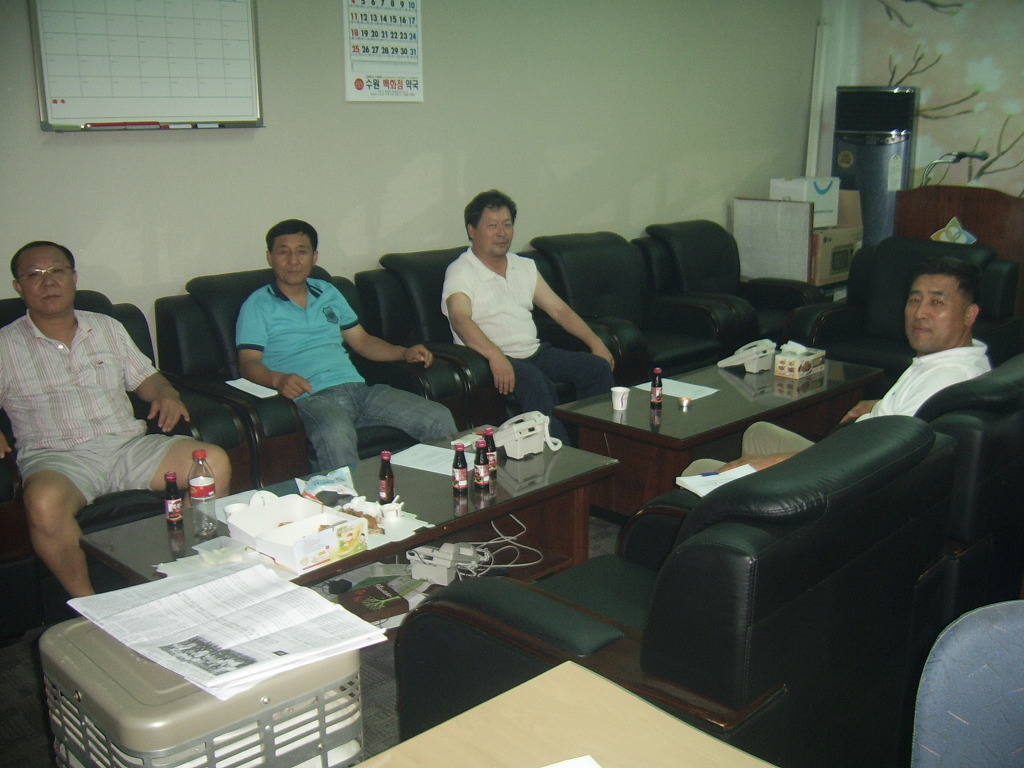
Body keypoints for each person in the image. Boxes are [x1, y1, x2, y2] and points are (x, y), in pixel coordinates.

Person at [0, 241, 232, 598]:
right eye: (35, 275)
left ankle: (185, 573)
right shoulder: (5, 345)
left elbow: (147, 379)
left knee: (213, 462)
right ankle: (92, 606)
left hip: (127, 446)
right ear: (19, 286)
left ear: (74, 278)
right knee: (44, 502)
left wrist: (166, 393)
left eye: (57, 271)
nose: (48, 282)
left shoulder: (107, 327)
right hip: (58, 459)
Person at [683, 255, 991, 476]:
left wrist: (775, 463)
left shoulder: (946, 378)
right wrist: (881, 405)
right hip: (854, 451)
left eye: (937, 303)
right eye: (915, 300)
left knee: (701, 469)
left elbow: (877, 459)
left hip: (849, 478)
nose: (920, 313)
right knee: (758, 433)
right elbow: (911, 414)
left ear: (969, 314)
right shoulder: (964, 361)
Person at [236, 219, 457, 473]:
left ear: (314, 257)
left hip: (360, 390)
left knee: (438, 417)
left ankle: (452, 489)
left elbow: (362, 341)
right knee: (336, 434)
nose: (293, 260)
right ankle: (349, 499)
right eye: (283, 252)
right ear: (270, 257)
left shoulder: (327, 292)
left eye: (302, 251)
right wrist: (278, 379)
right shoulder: (257, 305)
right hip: (312, 398)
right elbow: (248, 363)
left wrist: (403, 352)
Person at [441, 190, 616, 442]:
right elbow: (460, 319)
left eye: (507, 225)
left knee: (596, 368)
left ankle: (601, 447)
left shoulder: (523, 266)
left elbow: (559, 310)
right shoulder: (461, 271)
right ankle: (561, 457)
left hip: (535, 353)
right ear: (472, 230)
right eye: (492, 225)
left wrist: (596, 342)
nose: (501, 233)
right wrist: (495, 355)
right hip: (489, 360)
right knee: (536, 382)